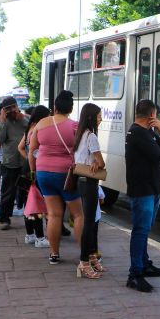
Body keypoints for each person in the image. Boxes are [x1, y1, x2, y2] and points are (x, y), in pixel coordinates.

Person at [29, 90, 83, 266]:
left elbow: (32, 151)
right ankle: (85, 253)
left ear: (55, 107)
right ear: (71, 109)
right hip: (66, 174)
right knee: (78, 214)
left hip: (43, 173)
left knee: (53, 214)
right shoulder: (74, 126)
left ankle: (54, 254)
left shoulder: (41, 124)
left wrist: (33, 171)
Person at [124, 99, 160, 292]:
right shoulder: (137, 133)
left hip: (152, 188)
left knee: (145, 229)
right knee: (140, 230)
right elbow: (159, 155)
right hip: (142, 190)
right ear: (152, 115)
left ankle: (144, 264)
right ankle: (135, 274)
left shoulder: (148, 132)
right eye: (156, 115)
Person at [73, 103, 106, 279]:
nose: (101, 119)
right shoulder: (91, 136)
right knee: (89, 223)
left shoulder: (80, 134)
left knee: (90, 222)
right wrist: (97, 162)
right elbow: (101, 162)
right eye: (99, 116)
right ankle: (84, 262)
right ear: (91, 117)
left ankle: (92, 257)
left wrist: (94, 161)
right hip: (90, 183)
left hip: (81, 181)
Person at [0, 97, 29, 229]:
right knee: (8, 193)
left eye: (13, 107)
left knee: (27, 193)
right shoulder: (3, 122)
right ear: (4, 110)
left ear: (17, 106)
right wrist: (2, 121)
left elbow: (33, 132)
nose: (12, 111)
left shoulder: (26, 119)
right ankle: (4, 218)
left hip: (25, 162)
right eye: (8, 109)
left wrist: (23, 118)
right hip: (10, 163)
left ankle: (30, 220)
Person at [18, 105, 50, 248]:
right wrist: (34, 163)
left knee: (29, 203)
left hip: (25, 169)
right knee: (36, 204)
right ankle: (40, 237)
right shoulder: (38, 129)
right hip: (34, 170)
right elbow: (34, 151)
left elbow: (20, 147)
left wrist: (27, 159)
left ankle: (29, 235)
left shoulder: (29, 129)